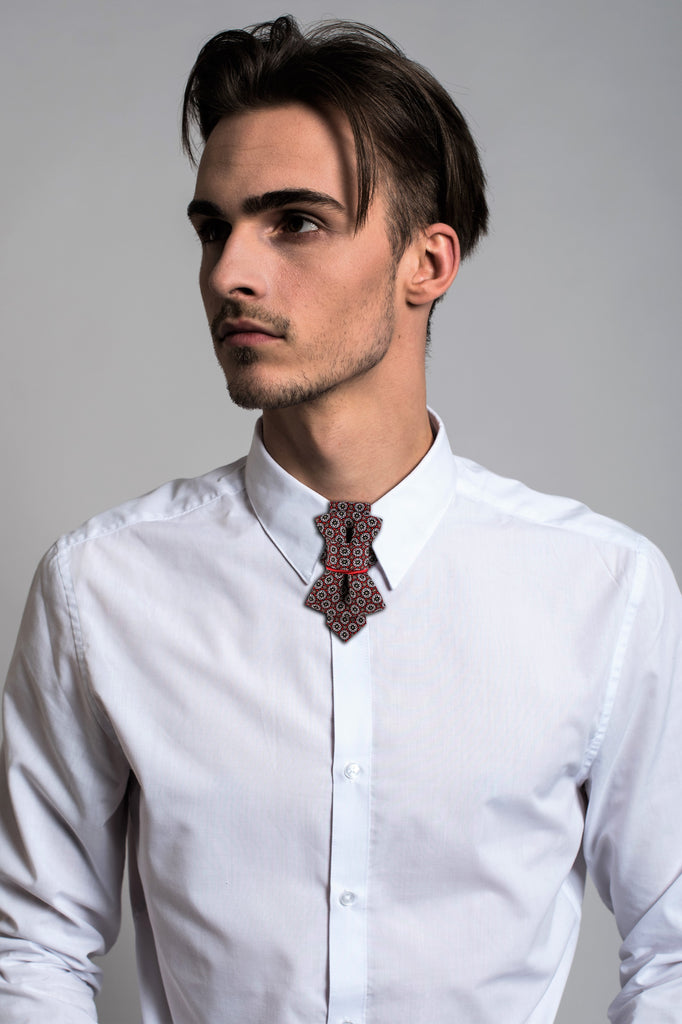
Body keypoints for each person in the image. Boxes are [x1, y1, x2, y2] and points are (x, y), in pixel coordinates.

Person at [0, 14, 680, 1023]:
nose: (229, 272)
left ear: (427, 263)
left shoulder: (602, 592)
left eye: (296, 223)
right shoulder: (101, 590)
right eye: (214, 228)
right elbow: (34, 944)